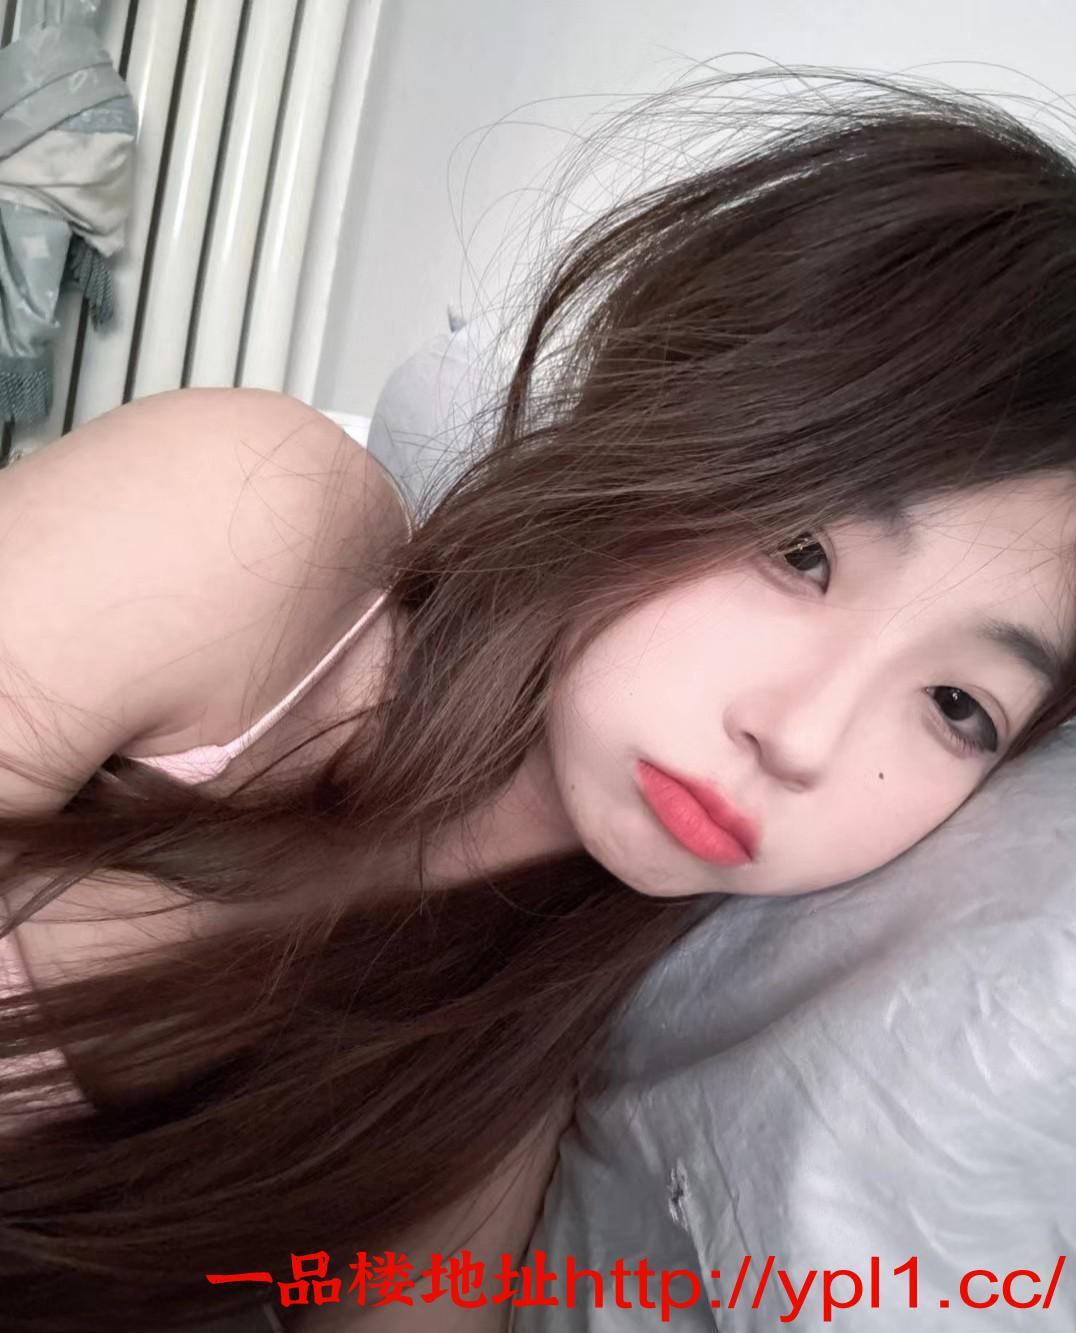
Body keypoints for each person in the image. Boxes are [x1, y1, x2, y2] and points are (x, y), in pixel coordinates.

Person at [2, 67, 1076, 1333]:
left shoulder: (500, 1096)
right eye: (799, 552)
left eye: (955, 703)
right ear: (664, 410)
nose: (798, 737)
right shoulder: (254, 525)